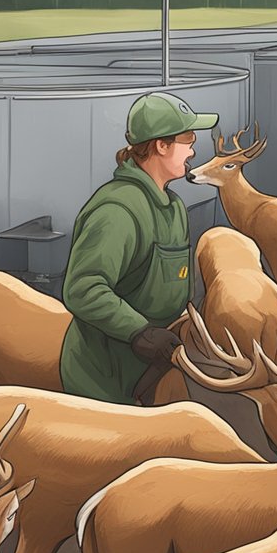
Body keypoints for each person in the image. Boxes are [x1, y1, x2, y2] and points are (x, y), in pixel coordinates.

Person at [59, 91, 216, 404]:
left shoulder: (172, 207)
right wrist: (139, 332)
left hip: (159, 362)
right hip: (109, 379)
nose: (193, 152)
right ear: (161, 145)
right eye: (188, 141)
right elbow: (83, 288)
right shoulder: (118, 210)